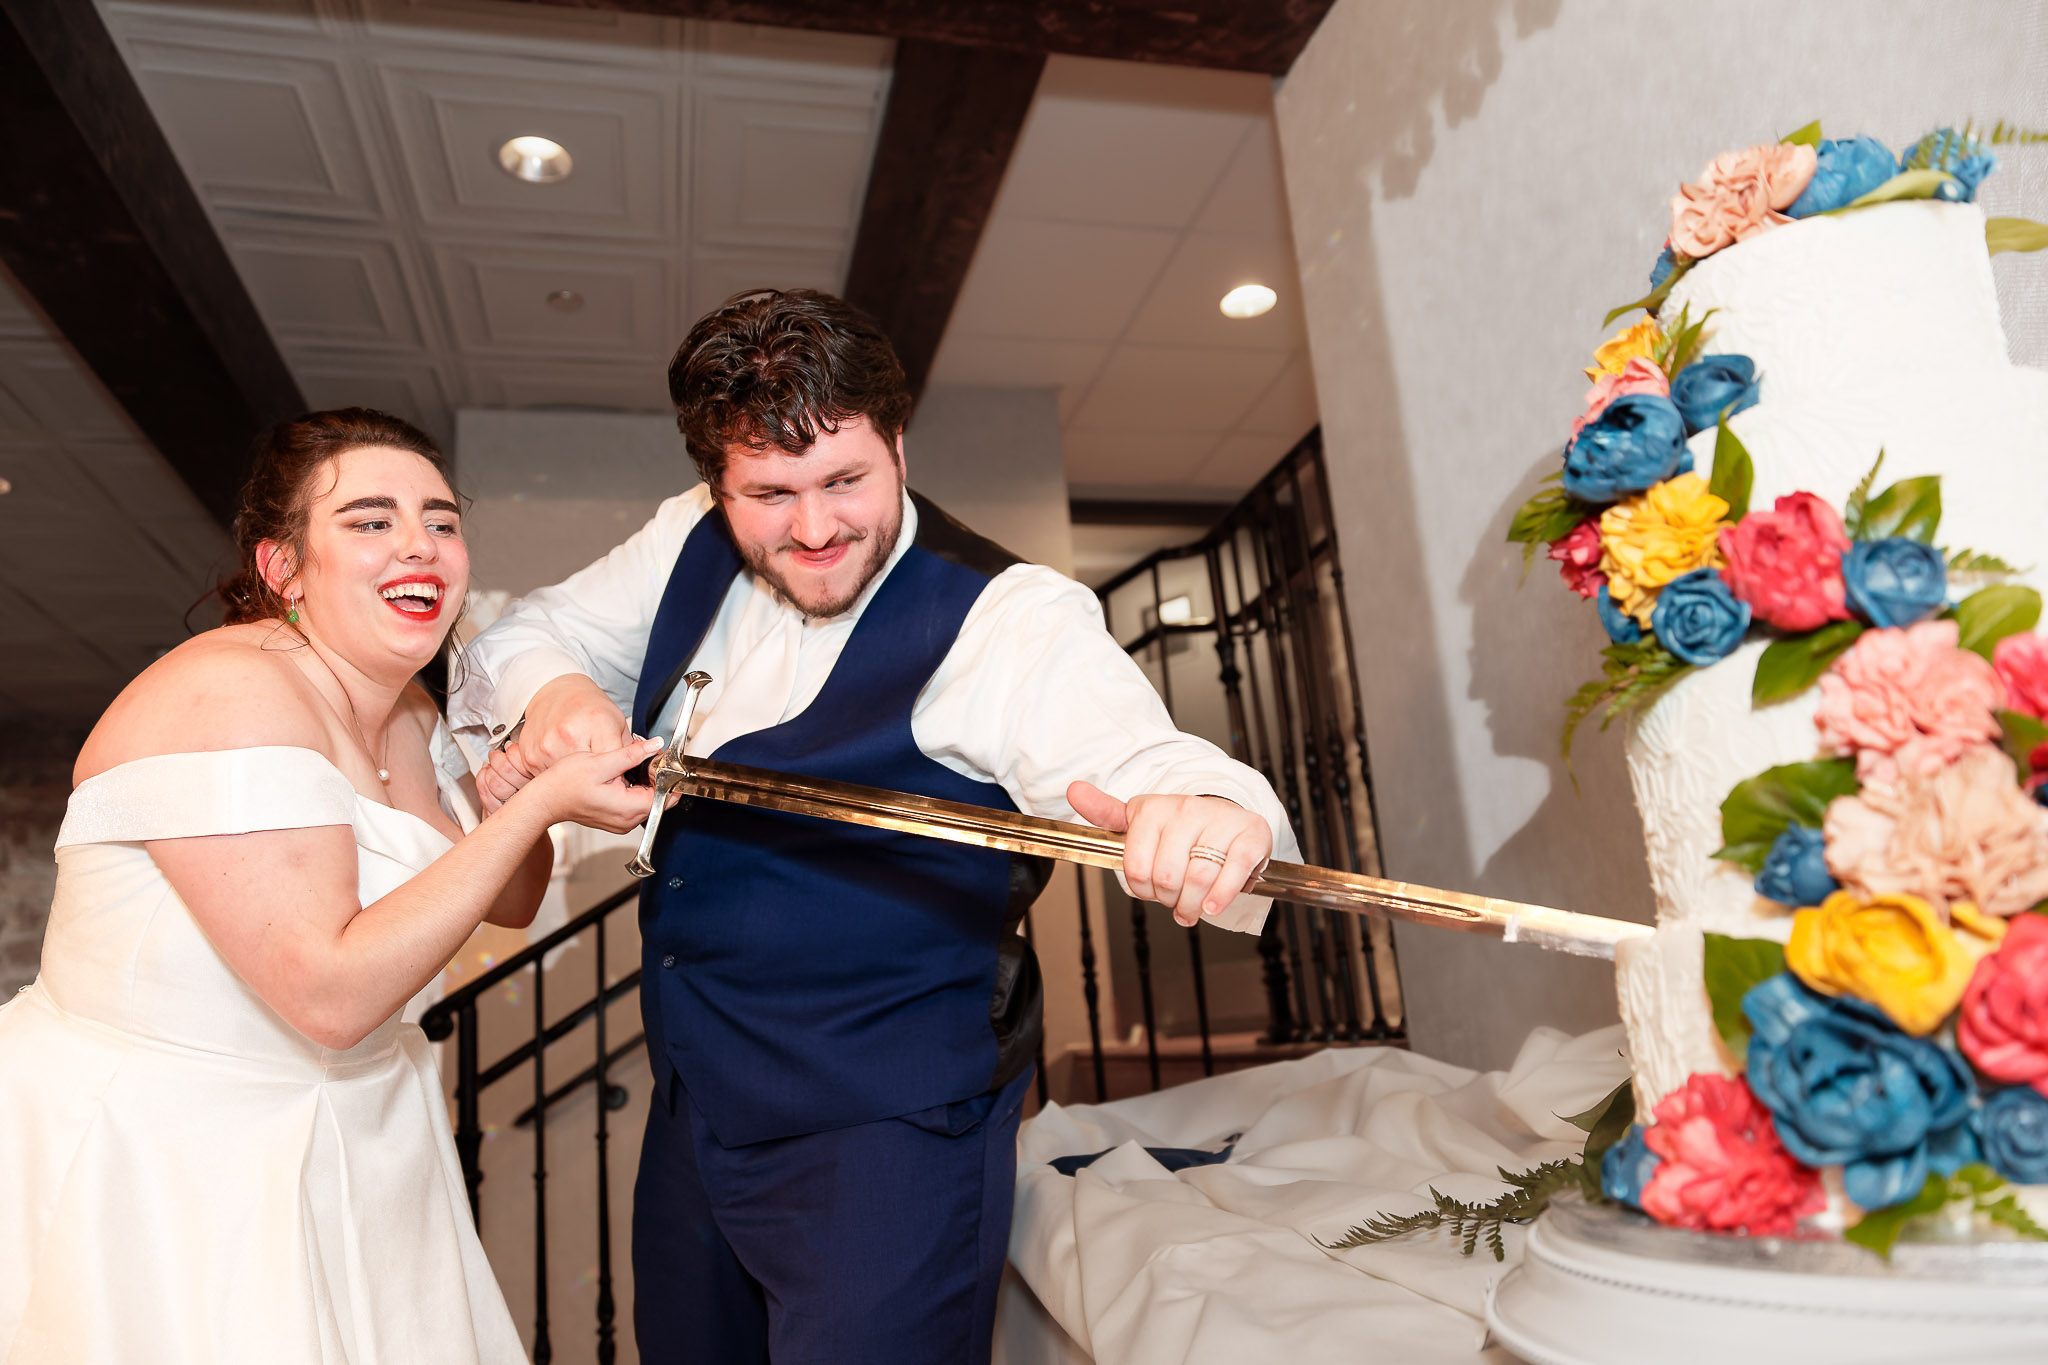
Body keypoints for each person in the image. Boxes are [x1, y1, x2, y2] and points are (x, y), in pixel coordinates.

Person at [450, 289, 1300, 1365]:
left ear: (897, 444)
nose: (813, 529)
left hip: (889, 1136)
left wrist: (1210, 811)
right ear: (717, 483)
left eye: (845, 480)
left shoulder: (1006, 616)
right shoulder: (686, 537)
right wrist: (564, 696)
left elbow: (1144, 760)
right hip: (692, 1109)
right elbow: (524, 634)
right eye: (769, 494)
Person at [0, 409, 668, 1363]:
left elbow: (507, 899)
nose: (420, 545)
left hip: (365, 1136)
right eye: (370, 520)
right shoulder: (232, 693)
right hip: (177, 1155)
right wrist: (537, 810)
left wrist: (512, 796)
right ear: (284, 567)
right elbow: (330, 996)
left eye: (441, 521)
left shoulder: (413, 715)